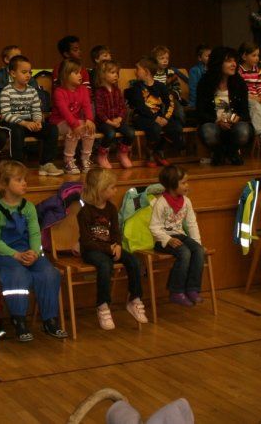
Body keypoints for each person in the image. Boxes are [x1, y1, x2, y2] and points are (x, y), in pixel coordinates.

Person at [0, 160, 68, 341]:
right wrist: (15, 255)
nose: (24, 183)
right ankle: (19, 320)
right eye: (18, 180)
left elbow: (35, 234)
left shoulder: (28, 207)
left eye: (24, 180)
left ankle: (50, 320)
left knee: (49, 273)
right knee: (18, 274)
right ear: (4, 184)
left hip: (27, 252)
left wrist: (34, 253)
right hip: (2, 254)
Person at [79, 168, 148, 329]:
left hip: (111, 248)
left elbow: (116, 231)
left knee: (133, 261)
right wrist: (109, 249)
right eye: (112, 187)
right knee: (105, 265)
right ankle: (103, 305)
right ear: (101, 190)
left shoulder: (110, 208)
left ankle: (134, 299)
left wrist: (117, 245)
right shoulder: (85, 212)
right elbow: (87, 241)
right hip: (92, 251)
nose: (116, 190)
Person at [149, 165, 206, 307]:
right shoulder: (161, 203)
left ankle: (192, 289)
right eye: (183, 182)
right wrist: (168, 239)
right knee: (185, 253)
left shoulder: (186, 201)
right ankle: (176, 292)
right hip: (163, 240)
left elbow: (192, 224)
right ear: (172, 184)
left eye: (187, 182)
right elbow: (154, 227)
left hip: (180, 236)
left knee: (198, 250)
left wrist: (197, 243)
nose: (187, 185)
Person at [0, 55, 63, 176]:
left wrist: (37, 121)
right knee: (17, 131)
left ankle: (46, 164)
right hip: (12, 123)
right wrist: (24, 123)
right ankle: (17, 166)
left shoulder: (32, 91)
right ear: (13, 73)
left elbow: (36, 110)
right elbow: (6, 114)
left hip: (29, 123)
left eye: (30, 72)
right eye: (24, 72)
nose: (28, 75)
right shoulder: (6, 91)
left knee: (52, 129)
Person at [194, 47, 253, 166]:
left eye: (234, 61)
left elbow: (245, 112)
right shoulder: (205, 83)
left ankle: (232, 152)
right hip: (214, 124)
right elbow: (200, 112)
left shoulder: (239, 83)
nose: (234, 64)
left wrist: (237, 118)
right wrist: (217, 121)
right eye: (228, 61)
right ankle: (218, 152)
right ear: (218, 63)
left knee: (244, 131)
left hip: (234, 125)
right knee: (208, 132)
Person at [127, 57, 182, 167]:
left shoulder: (160, 86)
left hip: (159, 117)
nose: (135, 72)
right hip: (141, 117)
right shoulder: (137, 87)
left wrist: (166, 118)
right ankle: (150, 152)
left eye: (138, 69)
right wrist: (155, 118)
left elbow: (170, 103)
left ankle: (159, 150)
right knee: (155, 127)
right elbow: (140, 106)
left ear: (146, 71)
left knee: (176, 127)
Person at [49, 59, 96, 174]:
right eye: (76, 73)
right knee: (73, 129)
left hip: (76, 121)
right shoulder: (59, 92)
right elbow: (65, 112)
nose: (80, 75)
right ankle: (68, 161)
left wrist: (89, 120)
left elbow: (87, 106)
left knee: (89, 128)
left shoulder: (83, 89)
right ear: (65, 75)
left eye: (80, 72)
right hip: (58, 122)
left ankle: (85, 159)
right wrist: (75, 125)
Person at [94, 60, 135, 169]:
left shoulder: (117, 90)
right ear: (103, 75)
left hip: (117, 121)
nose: (116, 75)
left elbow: (123, 107)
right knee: (110, 133)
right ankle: (102, 156)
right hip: (104, 122)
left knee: (130, 133)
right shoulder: (99, 92)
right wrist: (110, 122)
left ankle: (122, 154)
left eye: (117, 72)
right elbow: (99, 112)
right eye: (112, 72)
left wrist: (119, 119)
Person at [0, 44, 21, 118]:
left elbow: (35, 91)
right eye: (16, 57)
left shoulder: (26, 74)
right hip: (5, 109)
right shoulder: (1, 75)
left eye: (20, 56)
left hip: (24, 109)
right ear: (7, 60)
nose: (20, 59)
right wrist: (11, 101)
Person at [186, 44, 211, 117]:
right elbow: (193, 89)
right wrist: (194, 105)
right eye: (207, 56)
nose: (210, 58)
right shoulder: (194, 70)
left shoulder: (213, 70)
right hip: (199, 102)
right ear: (200, 58)